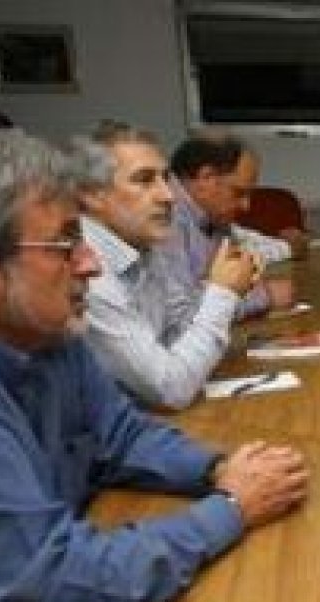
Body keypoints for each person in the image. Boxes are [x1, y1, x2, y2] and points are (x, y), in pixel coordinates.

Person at [0, 127, 310, 602]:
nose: (90, 263)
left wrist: (219, 467)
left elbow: (120, 436)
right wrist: (228, 511)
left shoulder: (41, 331)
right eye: (65, 242)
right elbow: (49, 589)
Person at [71, 120, 258, 409]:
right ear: (92, 194)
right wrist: (223, 293)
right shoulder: (84, 268)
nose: (168, 195)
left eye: (165, 178)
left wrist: (218, 288)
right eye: (144, 180)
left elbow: (180, 337)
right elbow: (171, 390)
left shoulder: (144, 245)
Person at [157, 130, 297, 322]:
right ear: (206, 178)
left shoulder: (211, 217)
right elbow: (181, 318)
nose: (246, 206)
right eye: (238, 193)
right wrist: (264, 297)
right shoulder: (163, 215)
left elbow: (222, 284)